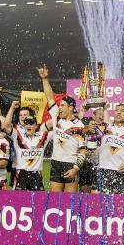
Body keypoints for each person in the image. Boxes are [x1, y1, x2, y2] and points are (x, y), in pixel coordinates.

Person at [39, 64, 86, 193]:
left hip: (70, 164)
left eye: (63, 105)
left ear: (71, 107)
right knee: (55, 199)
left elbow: (82, 151)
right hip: (56, 163)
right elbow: (49, 97)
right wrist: (44, 79)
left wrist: (75, 169)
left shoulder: (79, 126)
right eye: (59, 105)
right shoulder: (56, 117)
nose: (59, 108)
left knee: (70, 201)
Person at [94, 104, 124, 194]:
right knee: (99, 203)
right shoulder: (106, 127)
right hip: (102, 171)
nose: (118, 113)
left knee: (119, 204)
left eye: (122, 111)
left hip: (120, 172)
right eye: (116, 110)